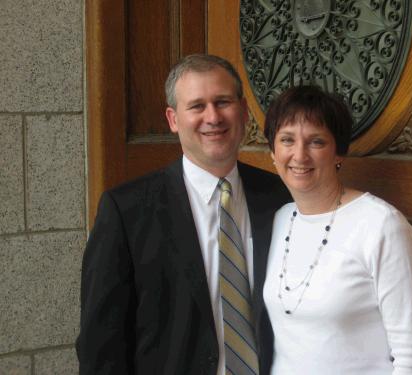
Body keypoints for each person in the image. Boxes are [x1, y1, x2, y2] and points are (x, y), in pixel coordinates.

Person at [76, 54, 290, 375]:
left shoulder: (280, 197)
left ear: (244, 112)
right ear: (173, 119)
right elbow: (100, 343)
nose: (213, 117)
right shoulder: (126, 211)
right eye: (197, 106)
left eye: (222, 102)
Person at [262, 85, 412, 374]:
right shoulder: (280, 219)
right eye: (287, 140)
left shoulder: (381, 225)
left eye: (316, 142)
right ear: (273, 153)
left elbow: (411, 358)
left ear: (339, 153)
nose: (299, 155)